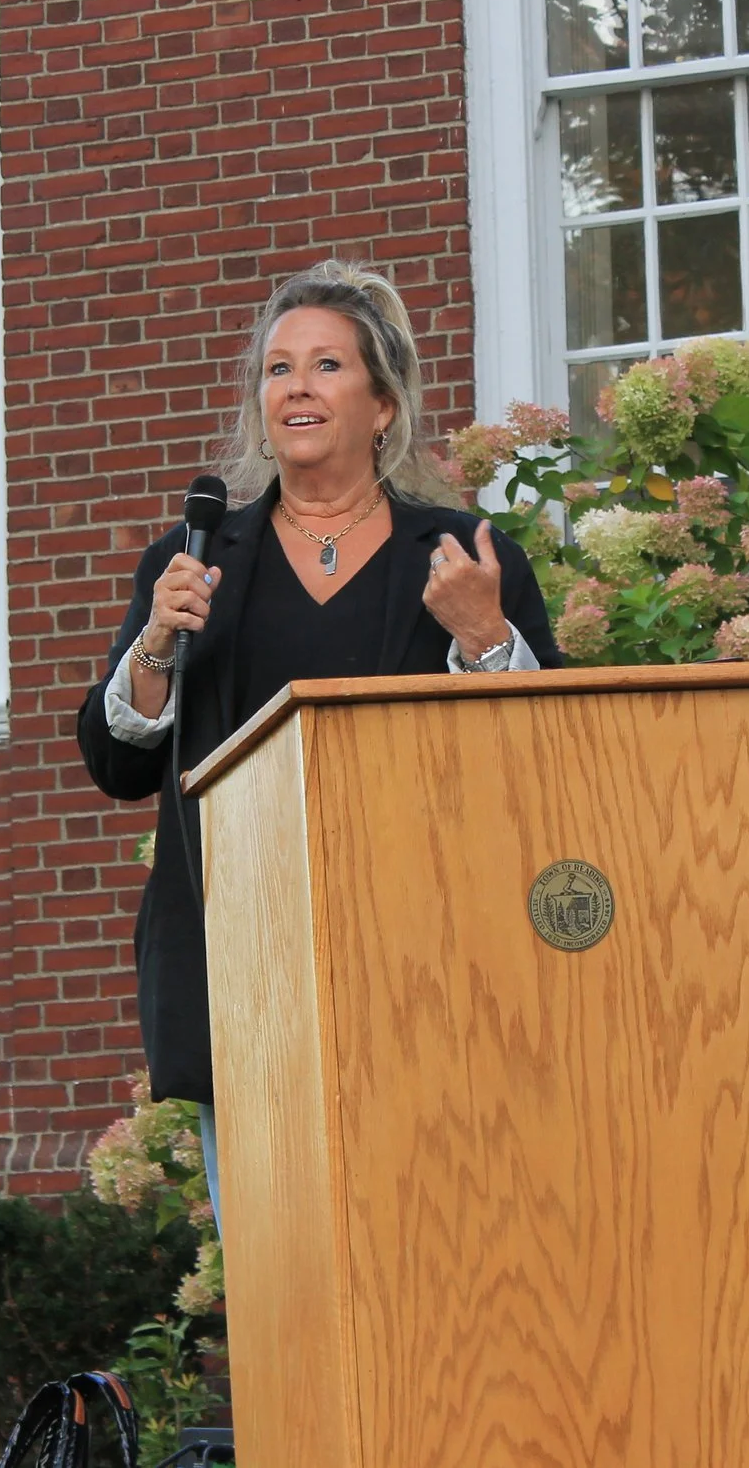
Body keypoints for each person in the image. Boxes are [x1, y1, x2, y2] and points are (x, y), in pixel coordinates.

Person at [75, 260, 562, 1210]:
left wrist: (484, 635)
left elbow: (546, 757)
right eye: (277, 368)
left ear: (382, 404)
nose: (294, 386)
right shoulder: (195, 561)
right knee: (278, 1267)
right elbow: (114, 762)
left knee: (435, 1237)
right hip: (249, 964)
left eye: (325, 365)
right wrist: (156, 643)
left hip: (430, 962)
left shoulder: (465, 556)